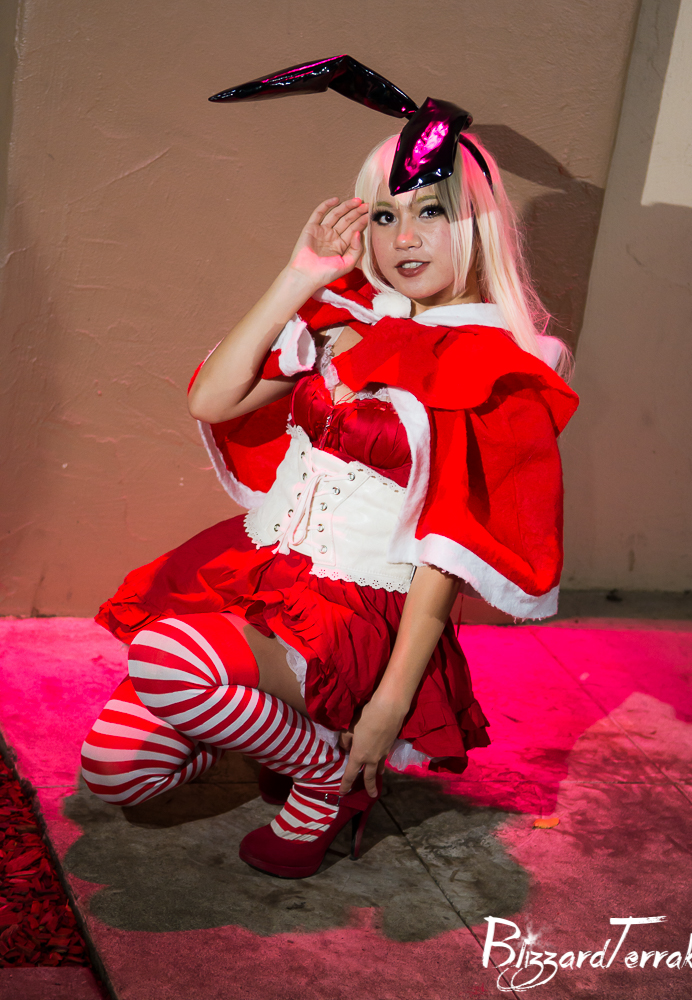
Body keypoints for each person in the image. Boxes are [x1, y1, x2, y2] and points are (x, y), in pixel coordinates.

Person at [81, 119, 578, 879]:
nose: (404, 238)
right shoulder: (349, 316)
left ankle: (322, 777)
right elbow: (212, 401)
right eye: (384, 214)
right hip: (267, 575)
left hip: (356, 614)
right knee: (116, 770)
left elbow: (446, 549)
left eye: (431, 211)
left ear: (478, 223)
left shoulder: (505, 363)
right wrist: (299, 276)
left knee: (166, 656)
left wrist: (389, 707)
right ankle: (283, 737)